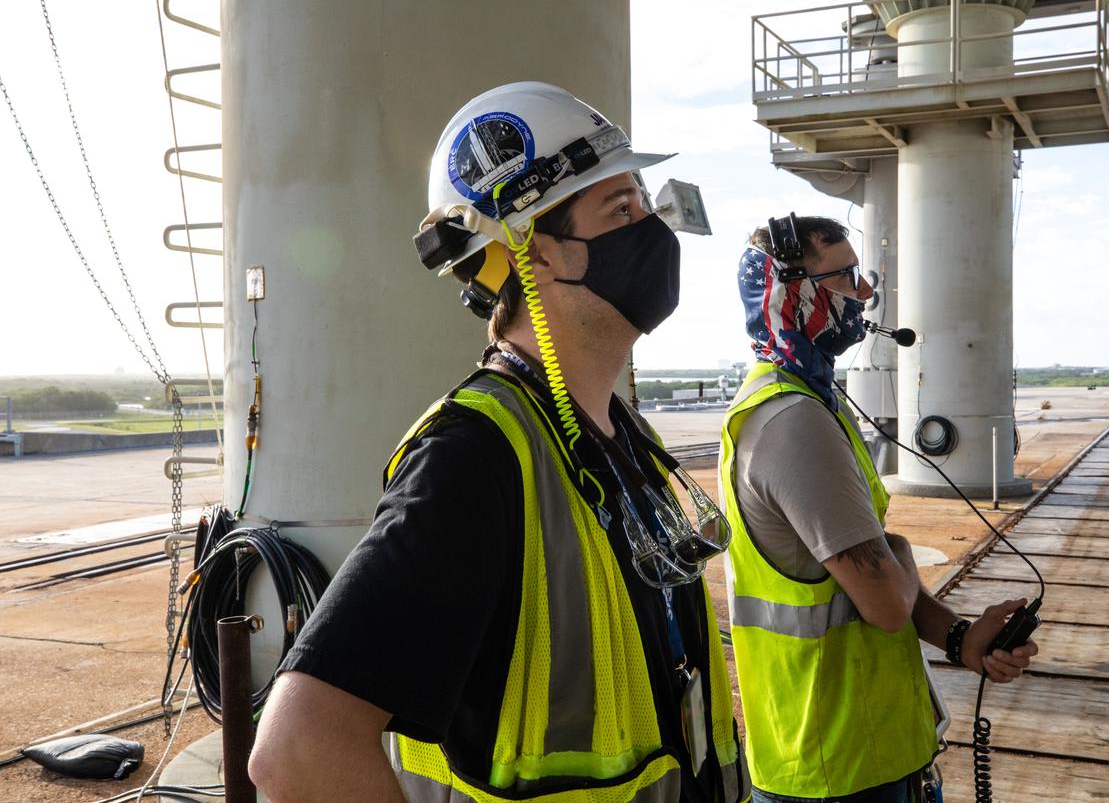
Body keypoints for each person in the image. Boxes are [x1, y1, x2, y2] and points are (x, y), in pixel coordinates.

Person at [250, 82, 747, 803]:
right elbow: (298, 748)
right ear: (538, 254)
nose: (653, 228)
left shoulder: (613, 428)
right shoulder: (474, 457)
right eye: (623, 209)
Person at [719, 215, 1039, 803]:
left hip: (856, 752)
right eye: (844, 277)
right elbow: (888, 604)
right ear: (792, 290)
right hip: (838, 766)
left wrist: (960, 637)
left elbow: (866, 593)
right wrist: (896, 549)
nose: (863, 294)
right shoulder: (796, 425)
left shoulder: (813, 405)